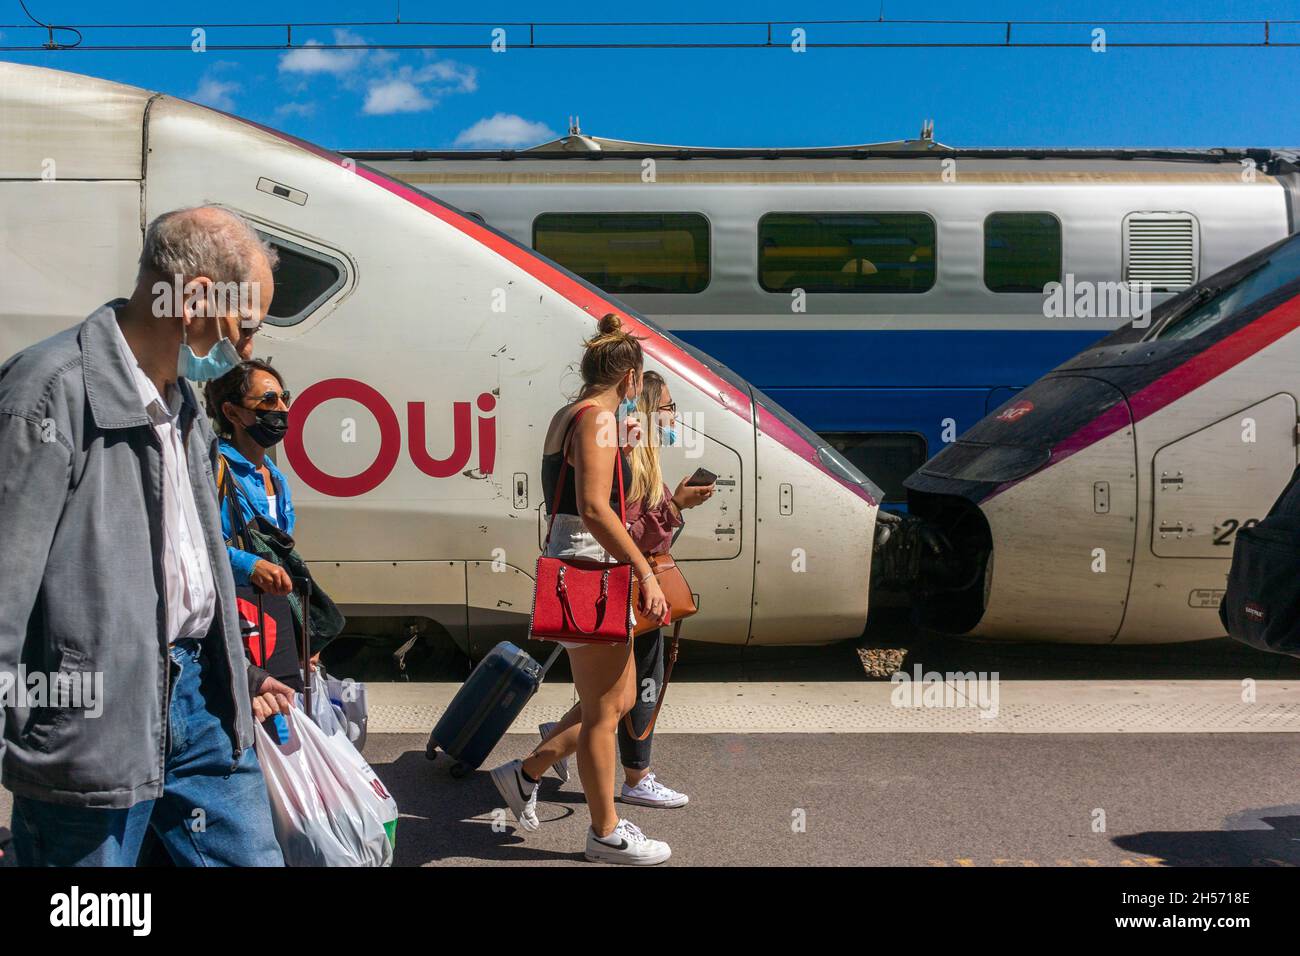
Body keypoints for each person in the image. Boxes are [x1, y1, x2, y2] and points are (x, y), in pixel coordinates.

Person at [0, 206, 293, 866]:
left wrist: (238, 670)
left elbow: (189, 561)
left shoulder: (183, 403)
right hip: (88, 718)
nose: (245, 349)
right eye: (244, 325)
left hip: (201, 705)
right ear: (192, 299)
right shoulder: (50, 392)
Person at [489, 314, 672, 865]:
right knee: (601, 710)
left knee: (614, 701)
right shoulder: (596, 419)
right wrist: (643, 570)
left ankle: (524, 776)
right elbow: (594, 508)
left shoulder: (574, 414)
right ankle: (605, 832)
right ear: (632, 379)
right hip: (590, 570)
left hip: (577, 563)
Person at [535, 371, 713, 808]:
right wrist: (674, 509)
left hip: (634, 587)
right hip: (625, 588)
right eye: (668, 407)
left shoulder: (638, 458)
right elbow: (624, 531)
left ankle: (629, 777)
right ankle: (535, 770)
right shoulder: (623, 460)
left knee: (627, 693)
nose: (674, 416)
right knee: (617, 701)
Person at [205, 359, 304, 700]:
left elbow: (284, 555)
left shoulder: (275, 476)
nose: (282, 409)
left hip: (273, 621)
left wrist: (305, 633)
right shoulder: (215, 468)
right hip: (235, 620)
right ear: (232, 413)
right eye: (268, 401)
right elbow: (200, 545)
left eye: (284, 398)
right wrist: (250, 566)